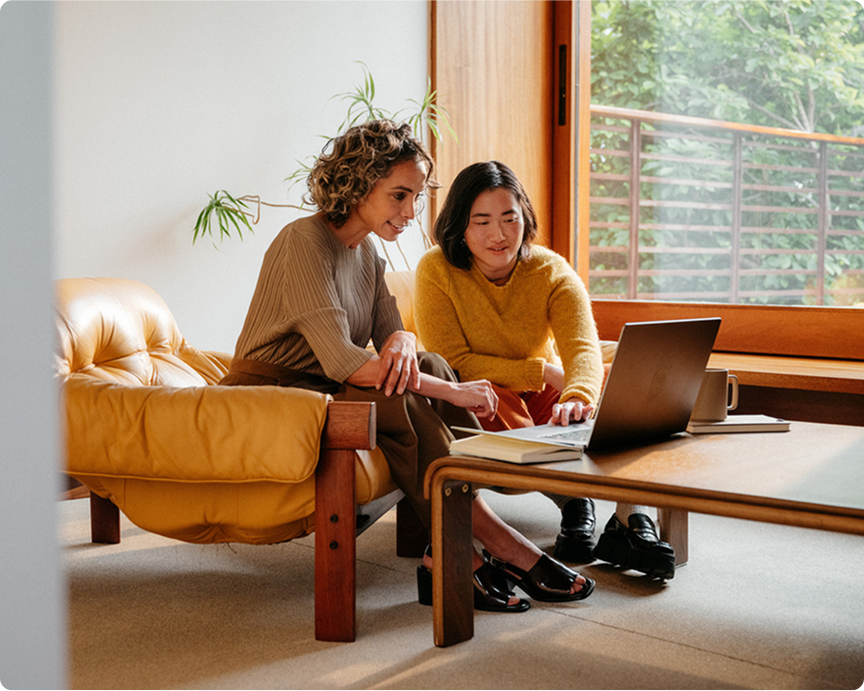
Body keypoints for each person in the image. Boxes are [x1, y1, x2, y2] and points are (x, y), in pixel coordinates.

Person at [220, 122, 595, 610]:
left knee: (431, 364)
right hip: (273, 394)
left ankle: (450, 547)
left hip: (325, 390)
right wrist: (455, 392)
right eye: (399, 195)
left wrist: (402, 339)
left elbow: (396, 337)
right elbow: (348, 363)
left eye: (416, 197)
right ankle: (500, 545)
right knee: (397, 390)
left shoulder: (366, 252)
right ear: (357, 184)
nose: (410, 211)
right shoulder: (304, 242)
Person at [414, 160, 676, 580]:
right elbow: (451, 360)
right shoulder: (436, 269)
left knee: (623, 392)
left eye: (509, 218)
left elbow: (583, 349)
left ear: (525, 217)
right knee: (495, 404)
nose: (499, 235)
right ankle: (574, 500)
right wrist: (541, 372)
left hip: (541, 395)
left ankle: (630, 519)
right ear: (459, 225)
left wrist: (578, 396)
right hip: (480, 395)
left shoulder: (552, 270)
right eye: (481, 222)